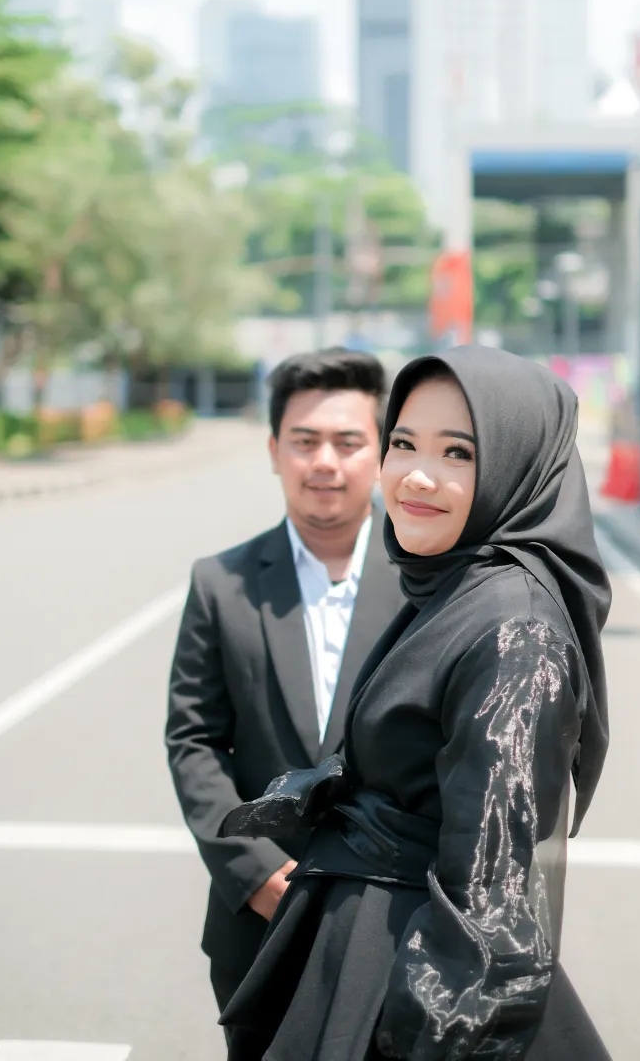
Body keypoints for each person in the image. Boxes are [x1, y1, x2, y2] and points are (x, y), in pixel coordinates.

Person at [218, 345, 614, 1060]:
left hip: (415, 974)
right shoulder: (455, 587)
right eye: (403, 443)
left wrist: (431, 1032)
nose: (416, 476)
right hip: (370, 940)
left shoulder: (513, 630)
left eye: (458, 452)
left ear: (518, 466)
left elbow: (488, 899)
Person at [165, 348, 406, 1037]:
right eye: (304, 441)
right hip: (259, 923)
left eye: (347, 442)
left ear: (380, 454)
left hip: (394, 917)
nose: (324, 462)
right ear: (274, 451)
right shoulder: (222, 584)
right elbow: (193, 741)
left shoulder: (430, 584)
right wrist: (255, 872)